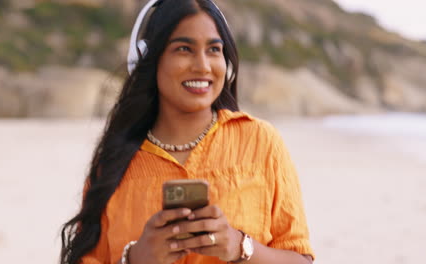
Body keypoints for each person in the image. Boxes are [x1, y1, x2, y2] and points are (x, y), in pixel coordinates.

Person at [60, 0, 315, 263]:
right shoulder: (114, 164)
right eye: (184, 49)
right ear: (148, 57)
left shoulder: (260, 142)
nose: (202, 66)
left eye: (214, 49)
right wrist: (135, 259)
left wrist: (240, 246)